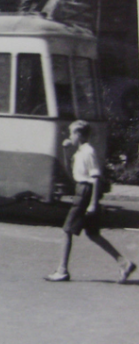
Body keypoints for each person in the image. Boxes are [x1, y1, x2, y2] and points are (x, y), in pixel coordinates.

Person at [45, 120, 136, 283]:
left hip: (85, 193)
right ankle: (124, 263)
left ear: (79, 135)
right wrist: (66, 152)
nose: (70, 136)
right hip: (82, 190)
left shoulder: (88, 152)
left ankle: (62, 270)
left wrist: (93, 203)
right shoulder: (79, 152)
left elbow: (95, 178)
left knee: (67, 231)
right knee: (93, 234)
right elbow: (71, 174)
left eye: (72, 133)